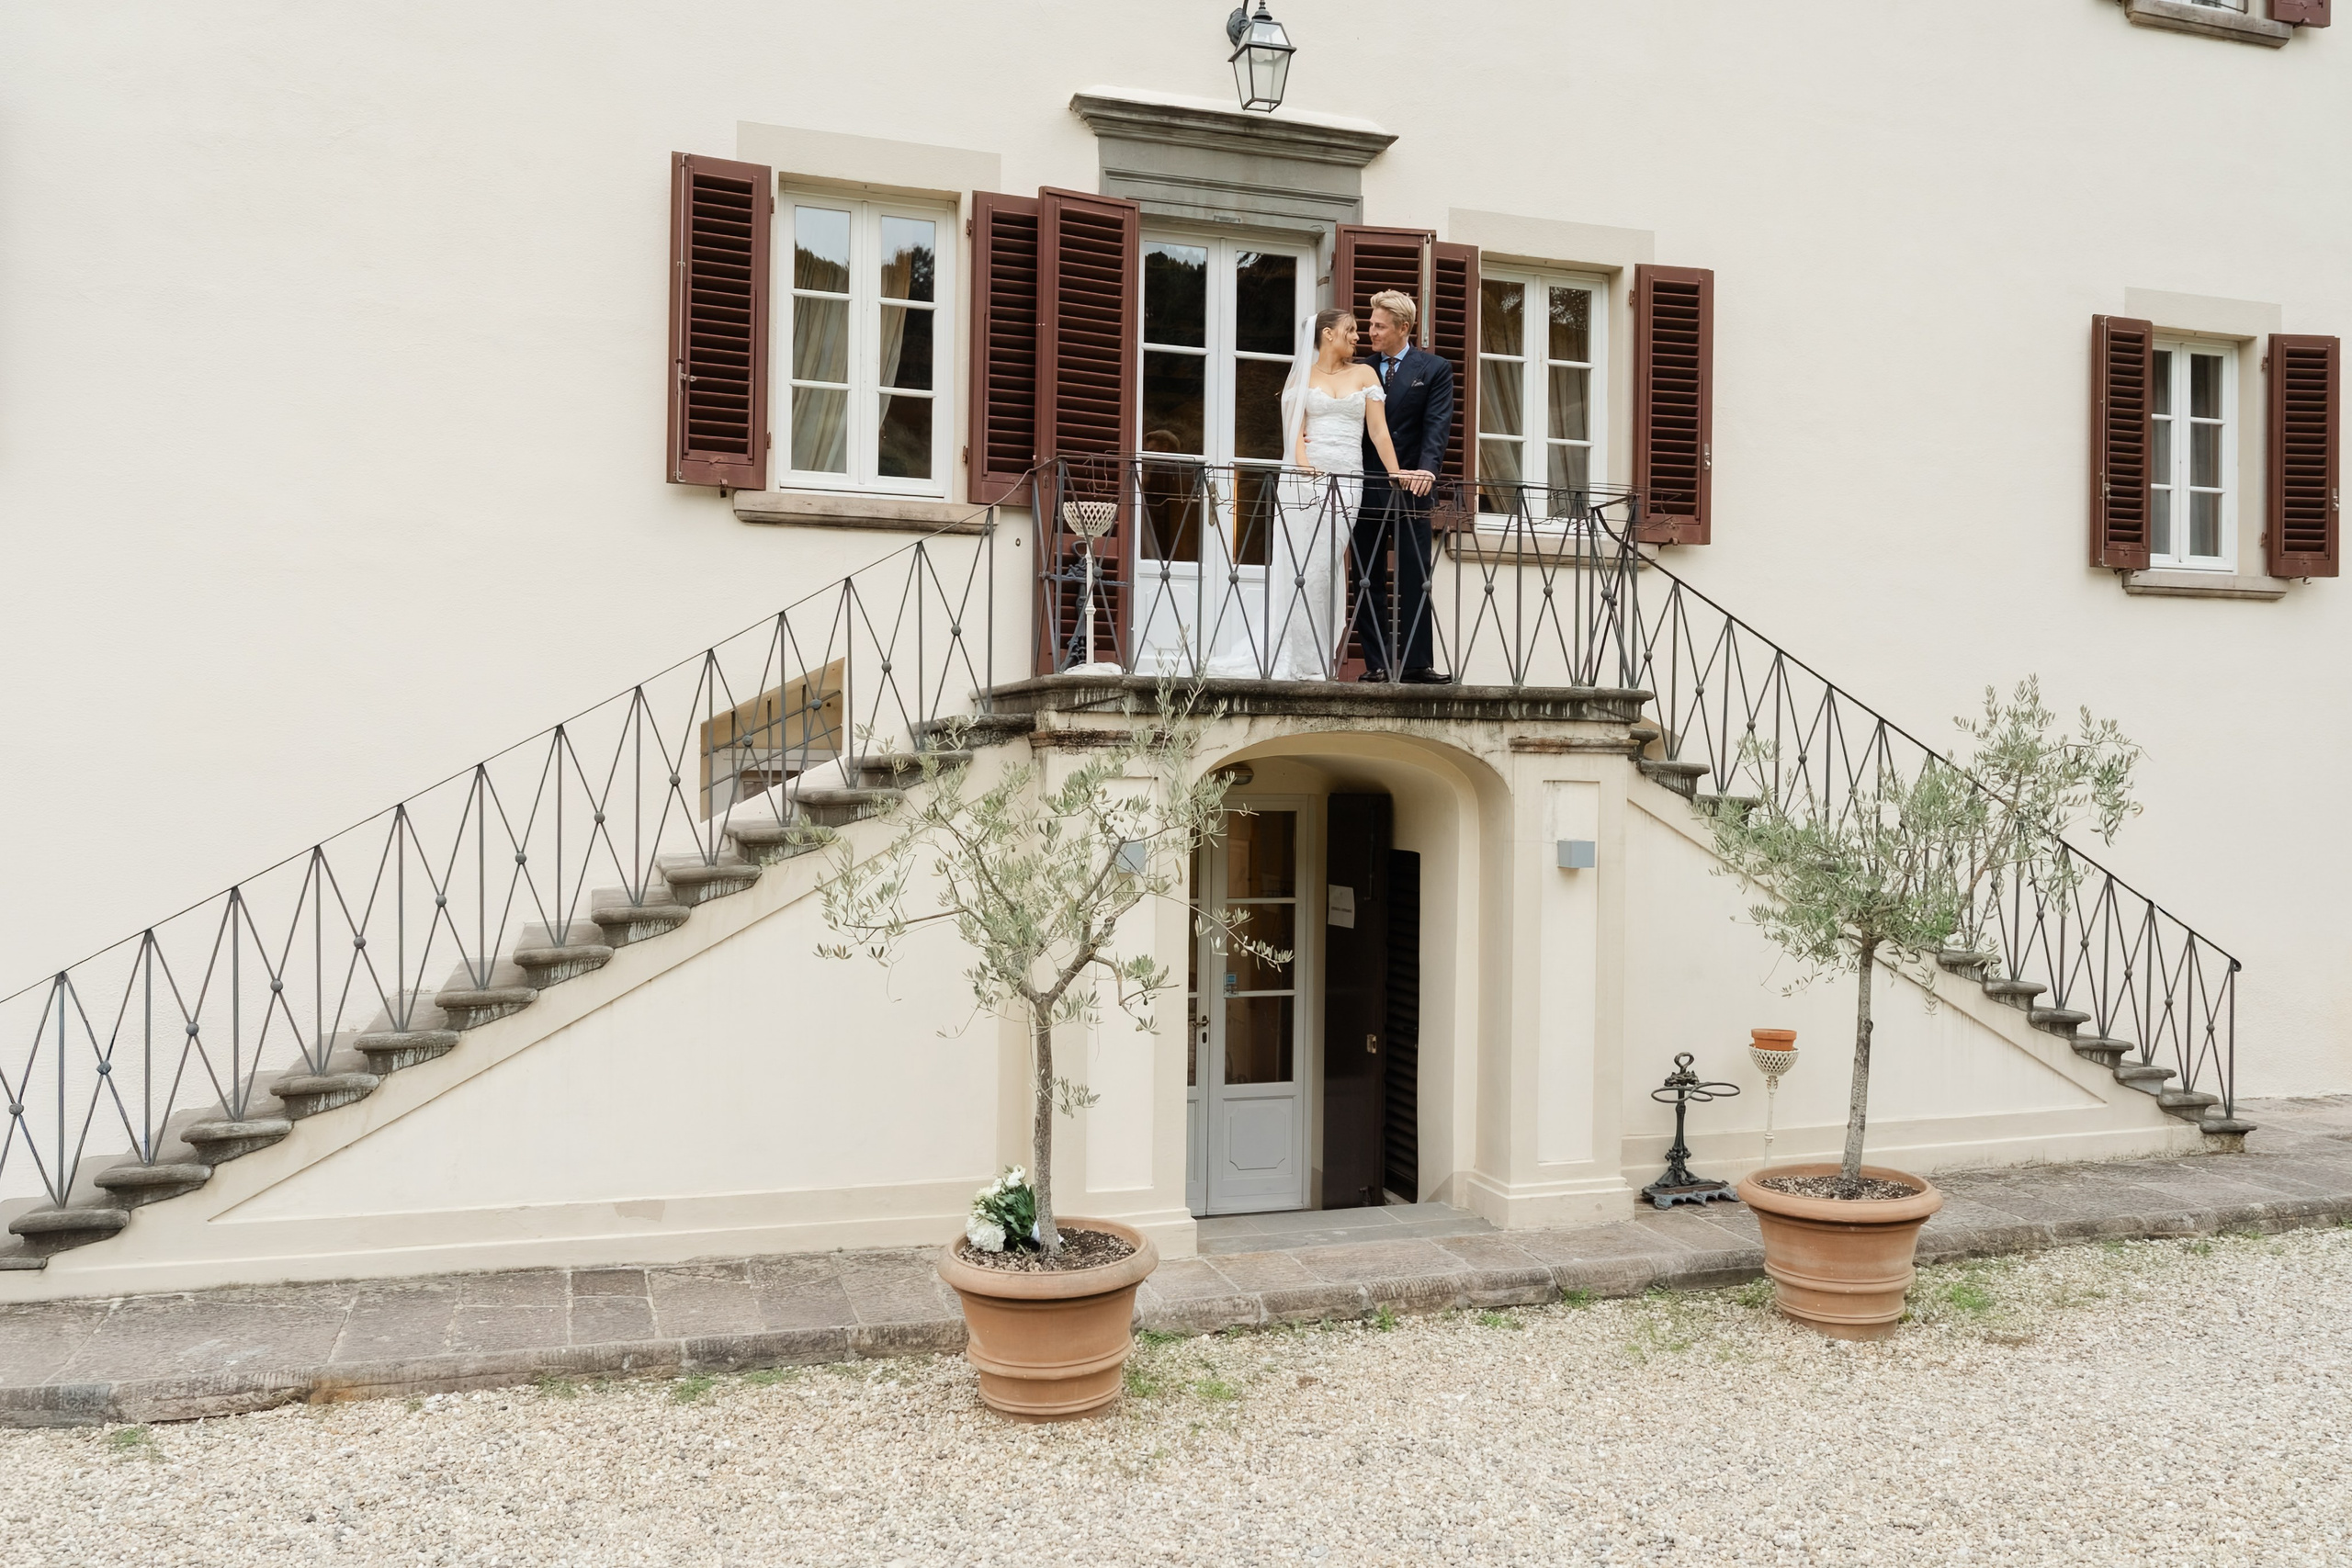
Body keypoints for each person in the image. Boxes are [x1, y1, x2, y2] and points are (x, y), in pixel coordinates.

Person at [1274, 309, 1416, 681]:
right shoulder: (1304, 376)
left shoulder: (1365, 374)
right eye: (1350, 330)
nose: (1358, 337)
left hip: (1348, 479)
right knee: (1303, 565)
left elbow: (1379, 432)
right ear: (1327, 334)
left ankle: (1318, 656)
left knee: (1325, 565)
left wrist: (1394, 472)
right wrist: (1303, 465)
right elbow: (1293, 432)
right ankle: (1296, 657)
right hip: (1307, 479)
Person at [1352, 290, 1451, 683]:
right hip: (1366, 485)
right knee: (1366, 576)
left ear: (1403, 328)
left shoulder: (1435, 368)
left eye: (1378, 325)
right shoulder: (1362, 369)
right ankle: (1375, 663)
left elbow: (1437, 426)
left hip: (1413, 488)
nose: (1370, 331)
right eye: (1371, 324)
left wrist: (1426, 472)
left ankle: (1414, 664)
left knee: (1414, 574)